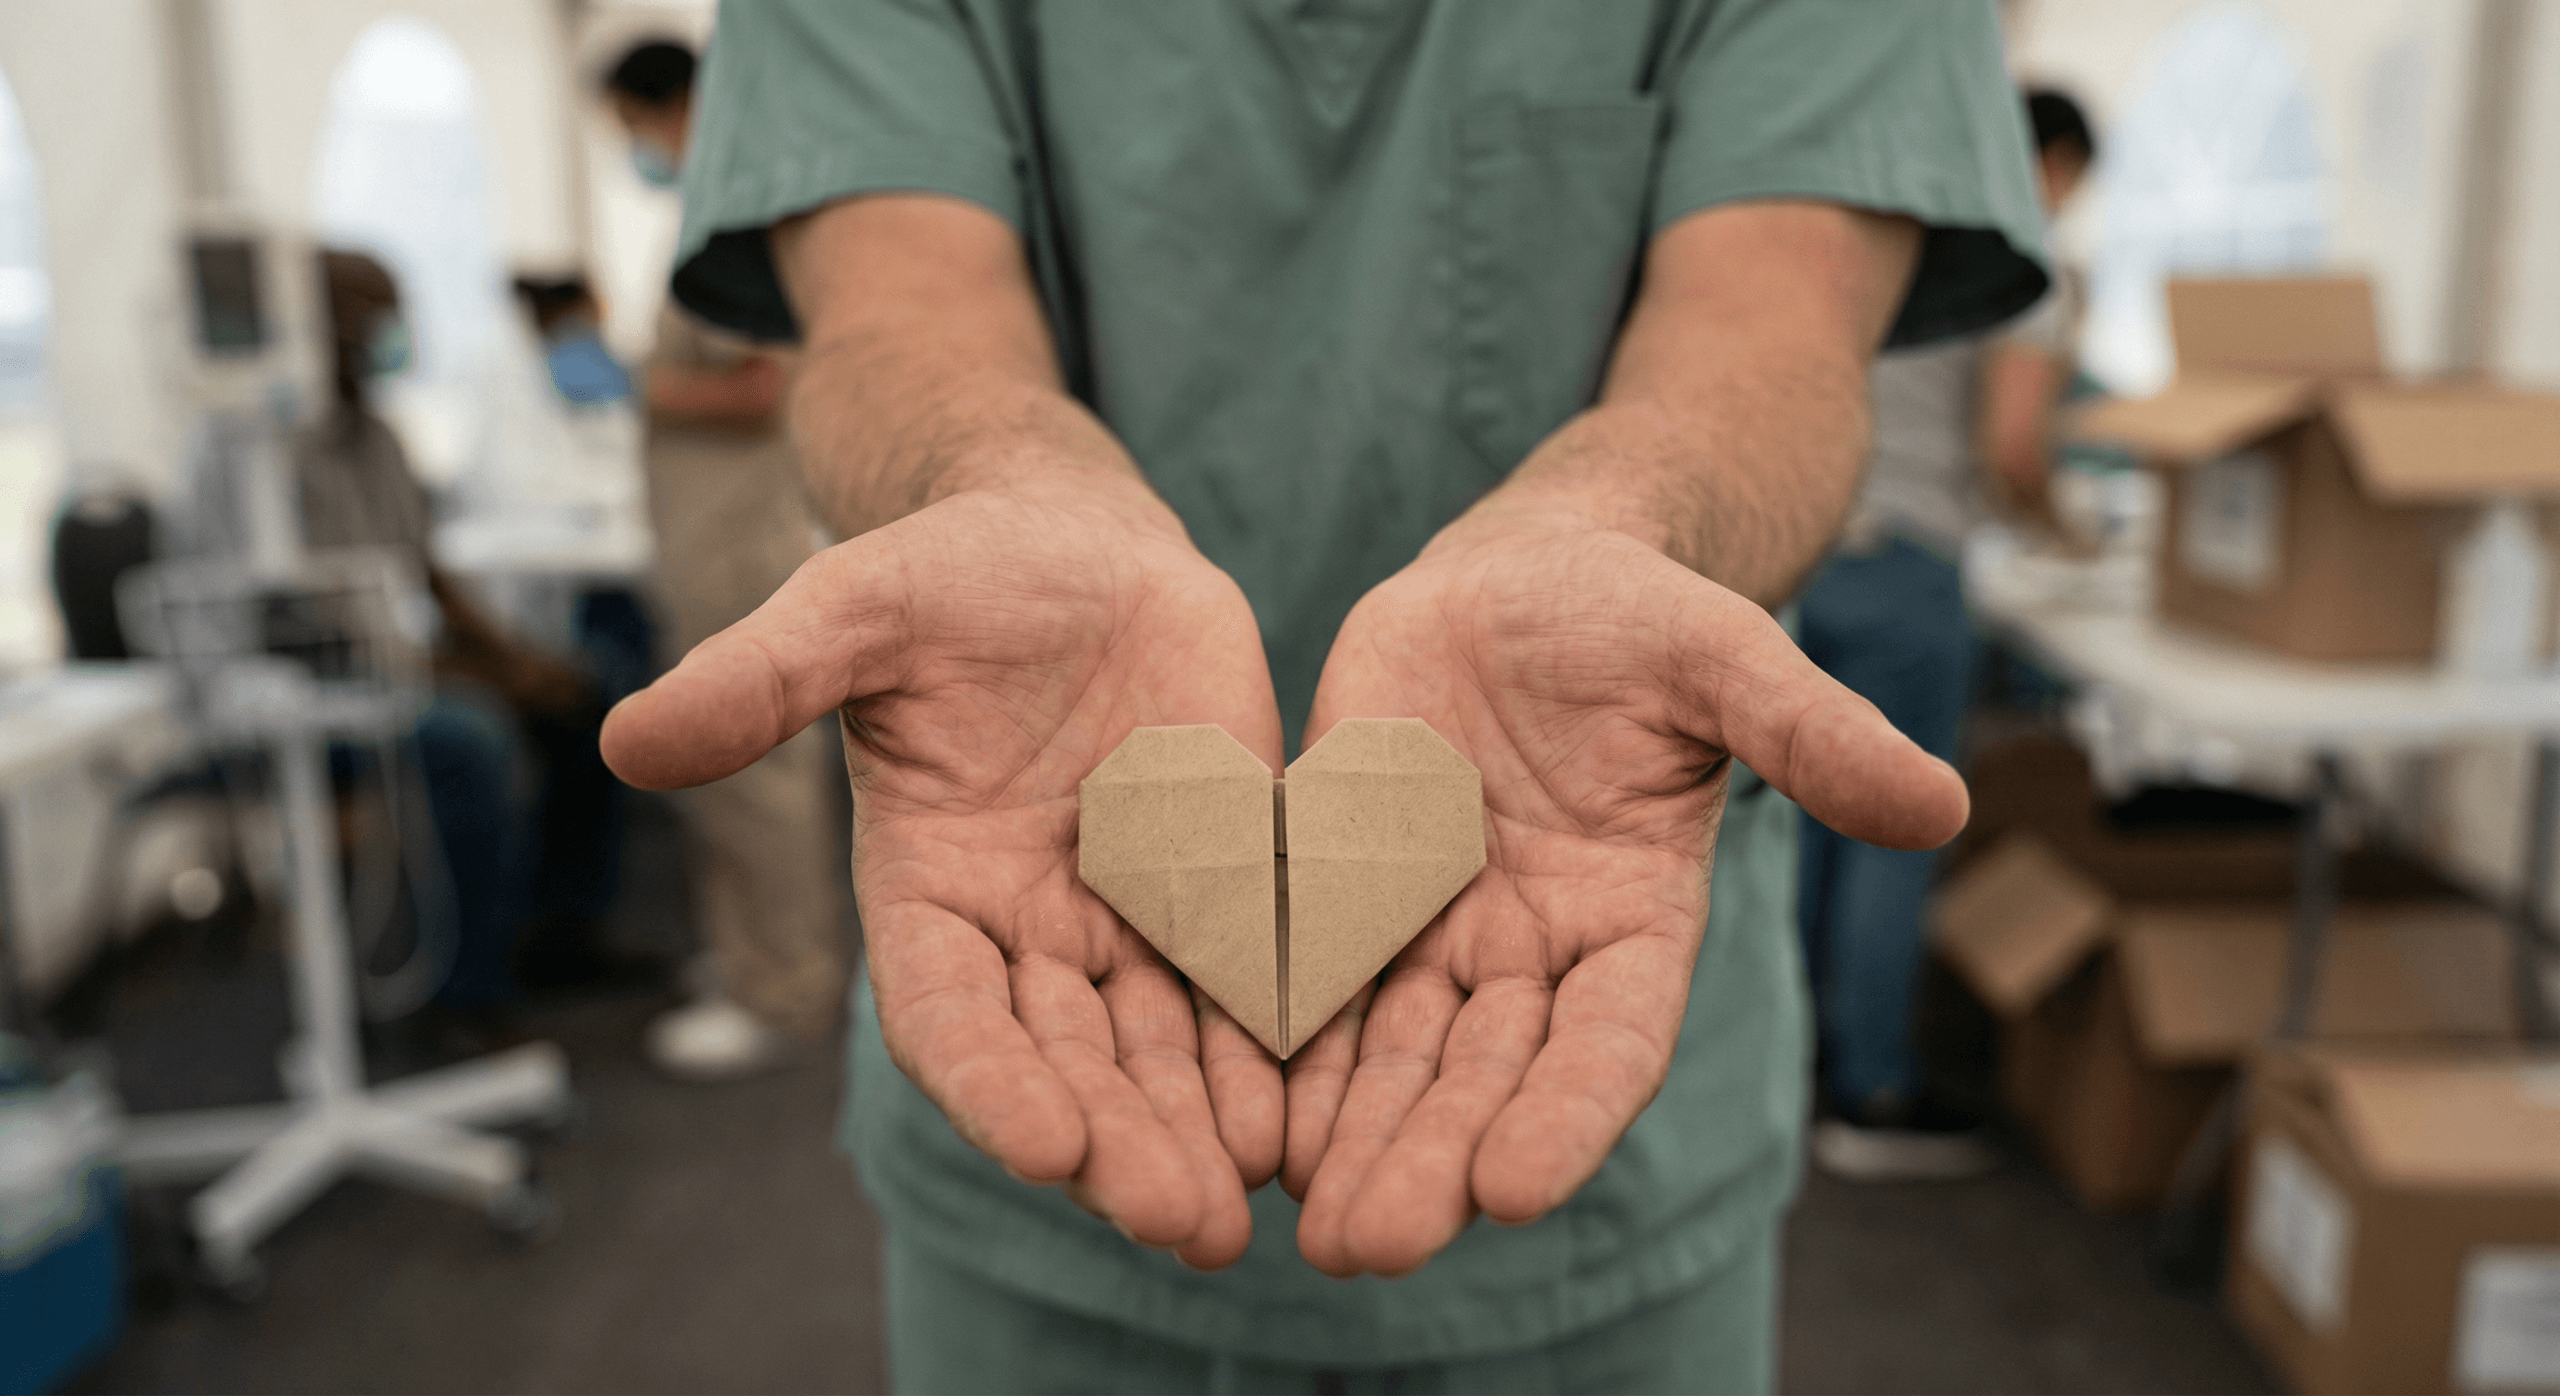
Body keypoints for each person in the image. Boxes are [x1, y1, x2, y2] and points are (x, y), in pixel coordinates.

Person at [603, 4, 2044, 1390]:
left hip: (1604, 1082)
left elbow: (1777, 325)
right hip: (1036, 1110)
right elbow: (891, 302)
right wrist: (1004, 486)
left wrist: (1616, 523)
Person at [1795, 87, 2097, 1181]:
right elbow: (2015, 447)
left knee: (1803, 819)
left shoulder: (1883, 228)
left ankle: (1788, 1062)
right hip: (1912, 564)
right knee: (1894, 834)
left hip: (1810, 550)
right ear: (2053, 163)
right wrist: (2072, 536)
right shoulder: (2019, 263)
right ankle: (1871, 1089)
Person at [602, 40, 850, 1080]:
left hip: (740, 544)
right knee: (717, 772)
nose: (633, 150)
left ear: (675, 107)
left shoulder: (754, 213)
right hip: (702, 543)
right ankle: (749, 956)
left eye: (632, 126)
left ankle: (787, 984)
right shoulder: (709, 217)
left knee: (759, 779)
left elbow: (764, 386)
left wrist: (642, 388)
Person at [299, 250, 617, 1035]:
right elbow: (307, 632)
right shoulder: (264, 453)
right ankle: (465, 989)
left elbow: (428, 576)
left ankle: (561, 930)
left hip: (393, 666)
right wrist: (475, 679)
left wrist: (515, 663)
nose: (392, 332)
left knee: (590, 693)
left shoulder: (377, 438)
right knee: (467, 742)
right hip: (309, 696)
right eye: (375, 313)